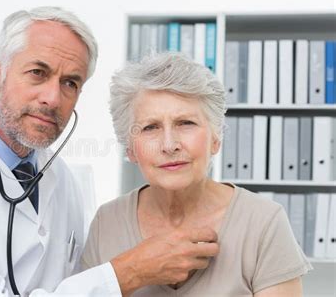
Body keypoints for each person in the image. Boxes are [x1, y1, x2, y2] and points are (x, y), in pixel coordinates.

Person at [0, 7, 219, 296]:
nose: (52, 98)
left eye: (70, 83)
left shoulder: (61, 179)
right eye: (38, 73)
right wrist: (127, 273)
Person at [81, 52, 313, 296]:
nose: (169, 145)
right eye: (150, 127)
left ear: (215, 139)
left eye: (186, 123)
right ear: (130, 149)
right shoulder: (106, 224)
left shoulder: (264, 222)